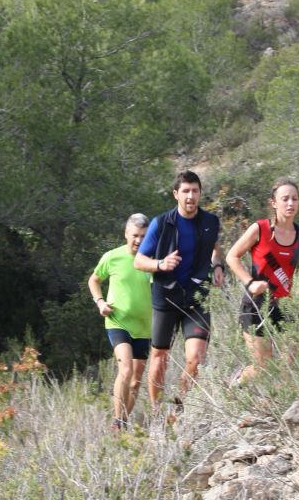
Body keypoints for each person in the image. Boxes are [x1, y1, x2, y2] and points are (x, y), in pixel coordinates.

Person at [134, 171, 224, 416]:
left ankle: (178, 408)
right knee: (160, 356)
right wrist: (161, 264)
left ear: (200, 193)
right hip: (166, 296)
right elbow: (139, 261)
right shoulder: (161, 223)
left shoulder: (210, 222)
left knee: (196, 357)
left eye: (195, 191)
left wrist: (217, 266)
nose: (190, 196)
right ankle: (156, 412)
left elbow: (215, 249)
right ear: (176, 194)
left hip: (196, 297)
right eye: (185, 191)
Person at [225, 177, 299, 383]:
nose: (290, 204)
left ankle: (273, 410)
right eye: (285, 199)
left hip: (285, 305)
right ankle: (236, 384)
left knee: (288, 366)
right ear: (274, 203)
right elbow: (232, 256)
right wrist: (250, 283)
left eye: (294, 199)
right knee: (263, 368)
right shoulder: (260, 229)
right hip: (256, 304)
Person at [88, 213, 153, 431]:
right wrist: (100, 302)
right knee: (125, 370)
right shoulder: (112, 257)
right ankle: (117, 423)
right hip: (118, 322)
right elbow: (94, 280)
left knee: (135, 381)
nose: (139, 240)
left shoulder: (152, 260)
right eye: (135, 235)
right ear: (126, 234)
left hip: (144, 327)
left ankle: (124, 421)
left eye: (144, 236)